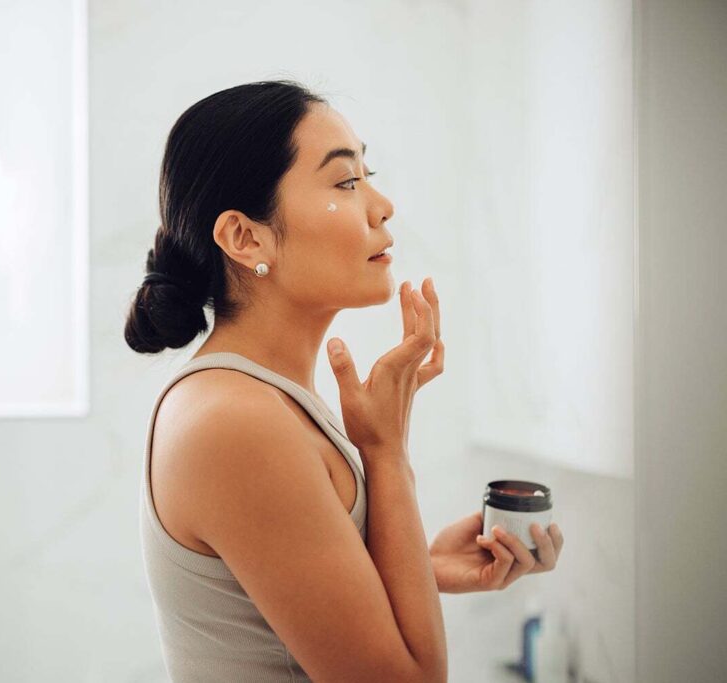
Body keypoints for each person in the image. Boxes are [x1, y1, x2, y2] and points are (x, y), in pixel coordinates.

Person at [125, 80, 563, 682]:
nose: (382, 206)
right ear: (246, 237)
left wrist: (421, 565)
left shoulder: (256, 399)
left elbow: (270, 602)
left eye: (367, 174)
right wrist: (384, 454)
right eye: (345, 182)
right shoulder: (237, 421)